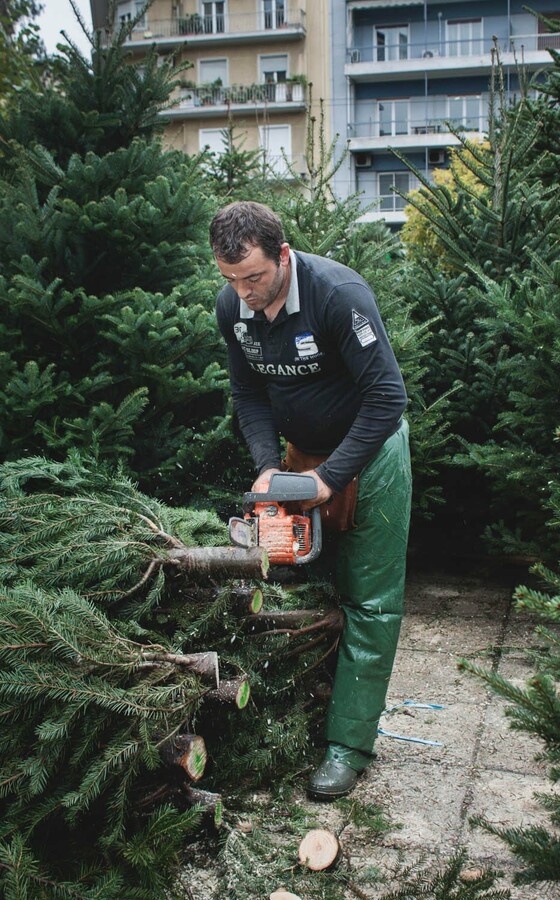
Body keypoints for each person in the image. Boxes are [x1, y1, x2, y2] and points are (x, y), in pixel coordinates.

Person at [210, 201, 412, 800]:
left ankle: (348, 748)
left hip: (371, 453)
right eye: (229, 280)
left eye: (253, 278)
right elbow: (247, 393)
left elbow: (387, 398)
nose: (243, 293)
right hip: (299, 460)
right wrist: (271, 470)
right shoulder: (234, 310)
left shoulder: (338, 296)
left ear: (284, 256)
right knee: (299, 585)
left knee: (370, 601)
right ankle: (302, 721)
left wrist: (330, 479)